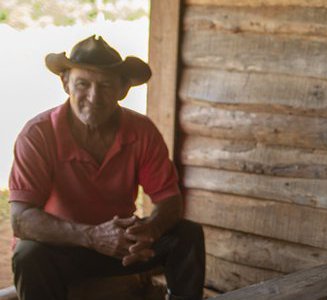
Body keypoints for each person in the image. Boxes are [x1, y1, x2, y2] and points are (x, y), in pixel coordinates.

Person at [8, 35, 205, 300]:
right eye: (82, 84)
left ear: (123, 89)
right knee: (28, 254)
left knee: (187, 235)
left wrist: (150, 231)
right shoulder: (38, 134)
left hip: (123, 250)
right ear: (65, 83)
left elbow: (170, 200)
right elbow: (21, 220)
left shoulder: (141, 131)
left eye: (105, 85)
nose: (93, 96)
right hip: (64, 248)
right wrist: (91, 236)